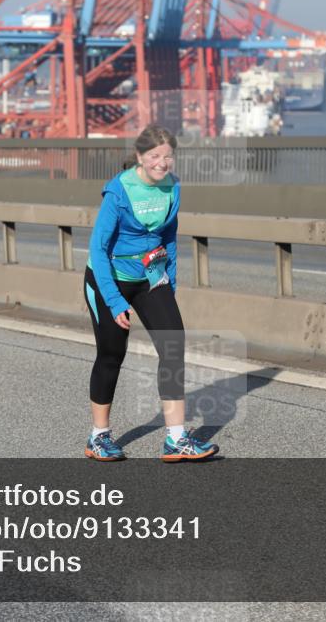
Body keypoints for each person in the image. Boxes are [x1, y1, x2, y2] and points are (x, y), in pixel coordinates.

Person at [84, 124, 219, 462]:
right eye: (155, 156)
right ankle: (99, 436)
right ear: (141, 157)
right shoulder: (119, 191)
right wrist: (114, 301)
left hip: (150, 275)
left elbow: (170, 236)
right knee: (111, 354)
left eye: (168, 156)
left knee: (173, 345)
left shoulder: (172, 187)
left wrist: (169, 284)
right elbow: (98, 249)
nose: (162, 163)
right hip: (109, 277)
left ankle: (176, 439)